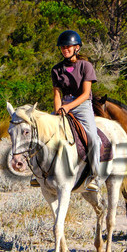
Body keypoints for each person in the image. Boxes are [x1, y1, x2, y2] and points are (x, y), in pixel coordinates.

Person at [51, 30, 100, 183]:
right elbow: (57, 94)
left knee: (93, 138)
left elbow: (86, 94)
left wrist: (68, 107)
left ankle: (94, 176)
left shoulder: (85, 66)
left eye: (68, 47)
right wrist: (59, 109)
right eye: (63, 47)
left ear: (77, 47)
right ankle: (39, 173)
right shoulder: (56, 69)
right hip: (63, 105)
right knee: (44, 133)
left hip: (82, 105)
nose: (65, 50)